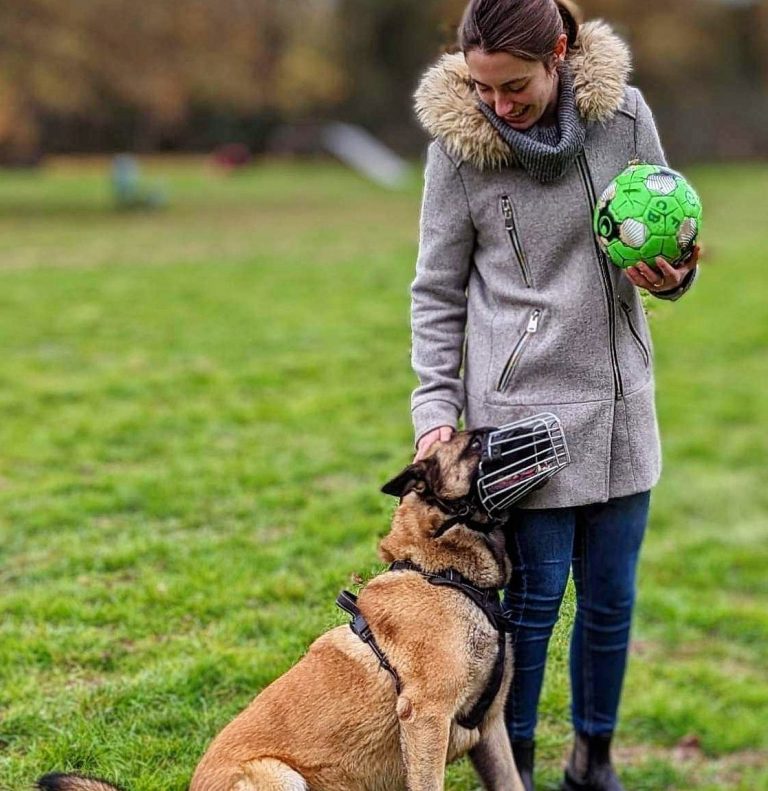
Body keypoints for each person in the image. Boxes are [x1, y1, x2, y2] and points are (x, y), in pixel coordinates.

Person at [409, 1, 700, 789]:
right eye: (483, 88)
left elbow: (669, 229)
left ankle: (593, 763)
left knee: (610, 603)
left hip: (620, 409)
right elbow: (437, 292)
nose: (498, 106)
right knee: (529, 620)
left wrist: (675, 276)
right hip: (522, 424)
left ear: (560, 55)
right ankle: (519, 770)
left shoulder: (625, 115)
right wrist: (436, 413)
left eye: (515, 87)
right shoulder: (458, 151)